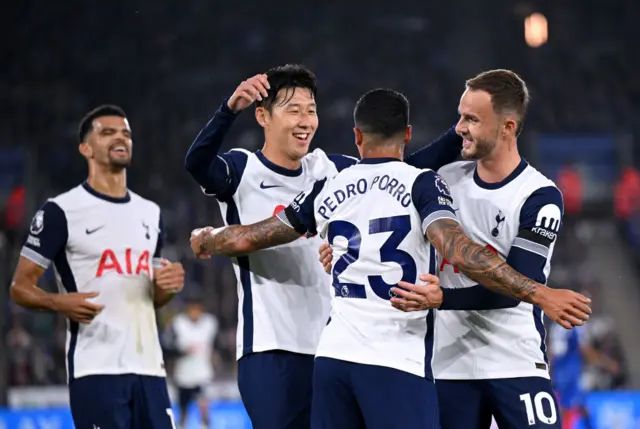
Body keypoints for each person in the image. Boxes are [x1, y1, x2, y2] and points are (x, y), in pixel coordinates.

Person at [189, 88, 591, 429]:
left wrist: (209, 238)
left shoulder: (331, 185)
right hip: (395, 359)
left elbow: (254, 236)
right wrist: (539, 293)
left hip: (333, 361)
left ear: (357, 137)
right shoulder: (422, 183)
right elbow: (456, 249)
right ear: (408, 134)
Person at [184, 64, 462, 429]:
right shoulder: (243, 168)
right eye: (293, 110)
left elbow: (399, 167)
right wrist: (227, 110)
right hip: (271, 350)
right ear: (263, 115)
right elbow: (197, 164)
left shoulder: (331, 169)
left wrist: (461, 133)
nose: (305, 121)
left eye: (311, 110)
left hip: (331, 349)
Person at [330, 69, 585, 429]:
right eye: (459, 117)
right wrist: (346, 244)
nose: (459, 128)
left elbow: (517, 288)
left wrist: (442, 299)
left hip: (515, 360)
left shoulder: (538, 196)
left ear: (508, 128)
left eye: (472, 119)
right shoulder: (441, 180)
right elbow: (383, 182)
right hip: (448, 364)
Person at [10, 105, 185, 429]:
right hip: (96, 369)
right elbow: (19, 287)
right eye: (107, 132)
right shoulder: (60, 211)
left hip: (150, 370)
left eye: (126, 133)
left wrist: (166, 287)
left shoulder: (151, 213)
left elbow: (152, 299)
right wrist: (58, 302)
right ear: (86, 148)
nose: (120, 138)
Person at [169, 294, 219, 429]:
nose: (194, 310)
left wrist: (215, 367)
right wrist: (183, 350)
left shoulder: (210, 323)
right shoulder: (178, 323)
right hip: (183, 375)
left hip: (202, 373)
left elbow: (215, 347)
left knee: (203, 405)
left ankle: (205, 426)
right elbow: (169, 348)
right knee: (184, 410)